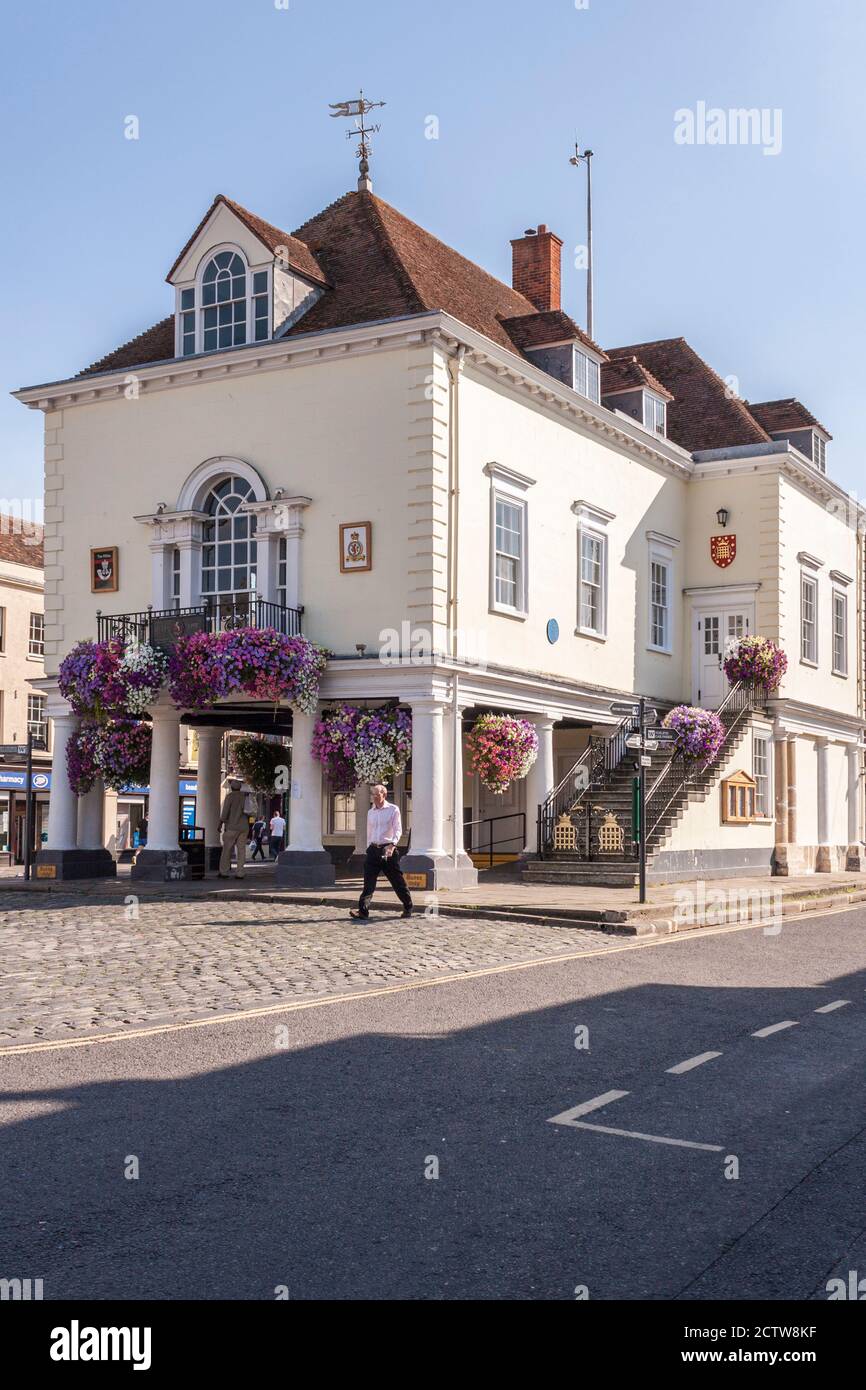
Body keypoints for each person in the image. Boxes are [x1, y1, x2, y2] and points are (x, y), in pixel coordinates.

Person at [350, 783, 413, 920]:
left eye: (376, 795)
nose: (374, 797)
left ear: (383, 795)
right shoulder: (370, 812)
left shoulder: (393, 809)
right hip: (373, 850)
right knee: (368, 882)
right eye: (373, 794)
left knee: (397, 881)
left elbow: (398, 830)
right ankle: (363, 911)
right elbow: (370, 831)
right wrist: (369, 847)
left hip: (388, 849)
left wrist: (392, 845)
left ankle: (408, 906)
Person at [218, 778, 249, 879]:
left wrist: (220, 824)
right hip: (244, 827)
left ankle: (224, 872)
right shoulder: (245, 797)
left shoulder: (230, 797)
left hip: (232, 826)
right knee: (241, 850)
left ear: (231, 787)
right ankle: (240, 872)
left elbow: (225, 812)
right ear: (240, 787)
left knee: (227, 850)